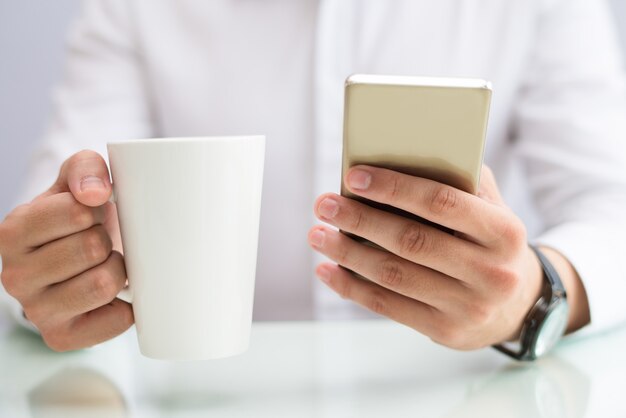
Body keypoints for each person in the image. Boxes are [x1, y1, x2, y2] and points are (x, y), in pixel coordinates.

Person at [1, 0, 626, 355]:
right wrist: (50, 265)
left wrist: (533, 294)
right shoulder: (135, 10)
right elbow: (36, 234)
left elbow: (613, 205)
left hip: (453, 387)